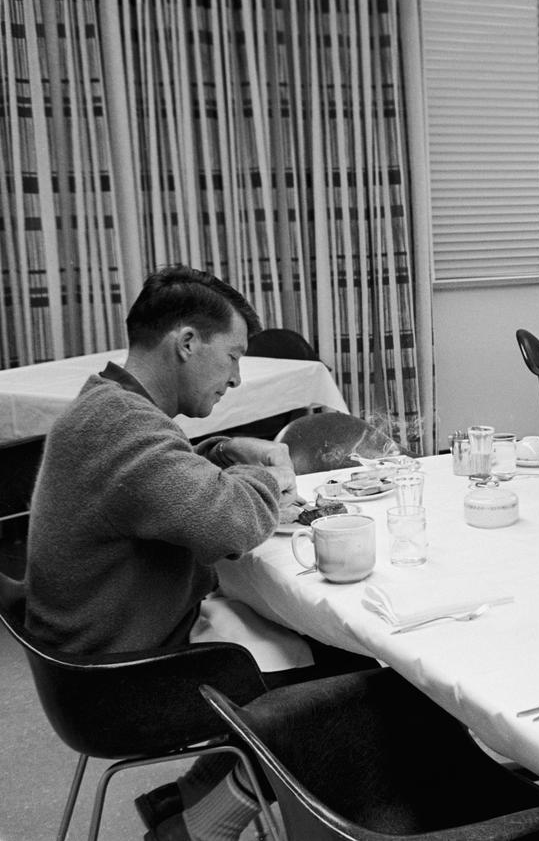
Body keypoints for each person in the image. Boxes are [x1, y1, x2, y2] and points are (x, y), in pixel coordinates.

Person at [23, 265, 372, 841]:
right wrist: (270, 478)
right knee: (350, 669)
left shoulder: (109, 407)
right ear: (186, 343)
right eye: (233, 356)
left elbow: (152, 480)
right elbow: (230, 526)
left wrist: (221, 451)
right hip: (117, 680)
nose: (236, 379)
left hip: (89, 652)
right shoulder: (119, 427)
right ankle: (201, 823)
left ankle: (191, 799)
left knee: (311, 643)